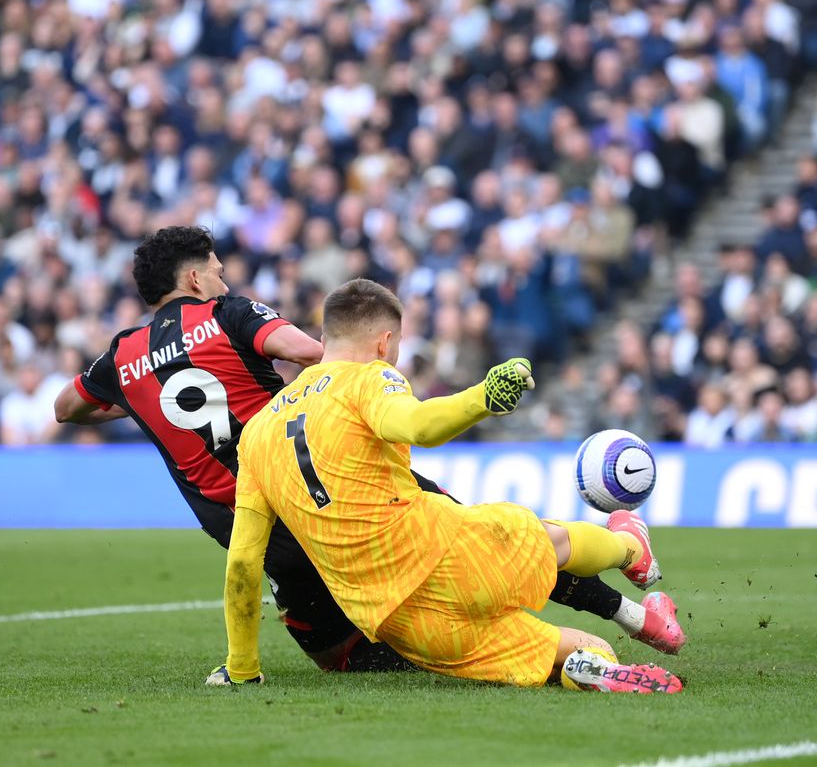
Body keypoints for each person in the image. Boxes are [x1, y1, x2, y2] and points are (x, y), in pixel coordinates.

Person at [53, 227, 683, 676]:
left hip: (253, 513)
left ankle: (558, 631)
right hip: (332, 472)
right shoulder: (227, 313)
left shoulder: (123, 355)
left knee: (339, 653)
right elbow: (307, 351)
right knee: (501, 549)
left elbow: (66, 408)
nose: (223, 277)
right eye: (217, 268)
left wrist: (133, 399)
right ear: (195, 277)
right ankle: (628, 608)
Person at [218, 279, 682, 693]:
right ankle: (629, 548)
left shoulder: (257, 433)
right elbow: (418, 425)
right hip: (445, 552)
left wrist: (242, 667)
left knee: (572, 649)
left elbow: (242, 563)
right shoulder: (367, 378)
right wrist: (483, 397)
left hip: (394, 618)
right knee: (552, 539)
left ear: (323, 339)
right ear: (384, 343)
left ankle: (586, 667)